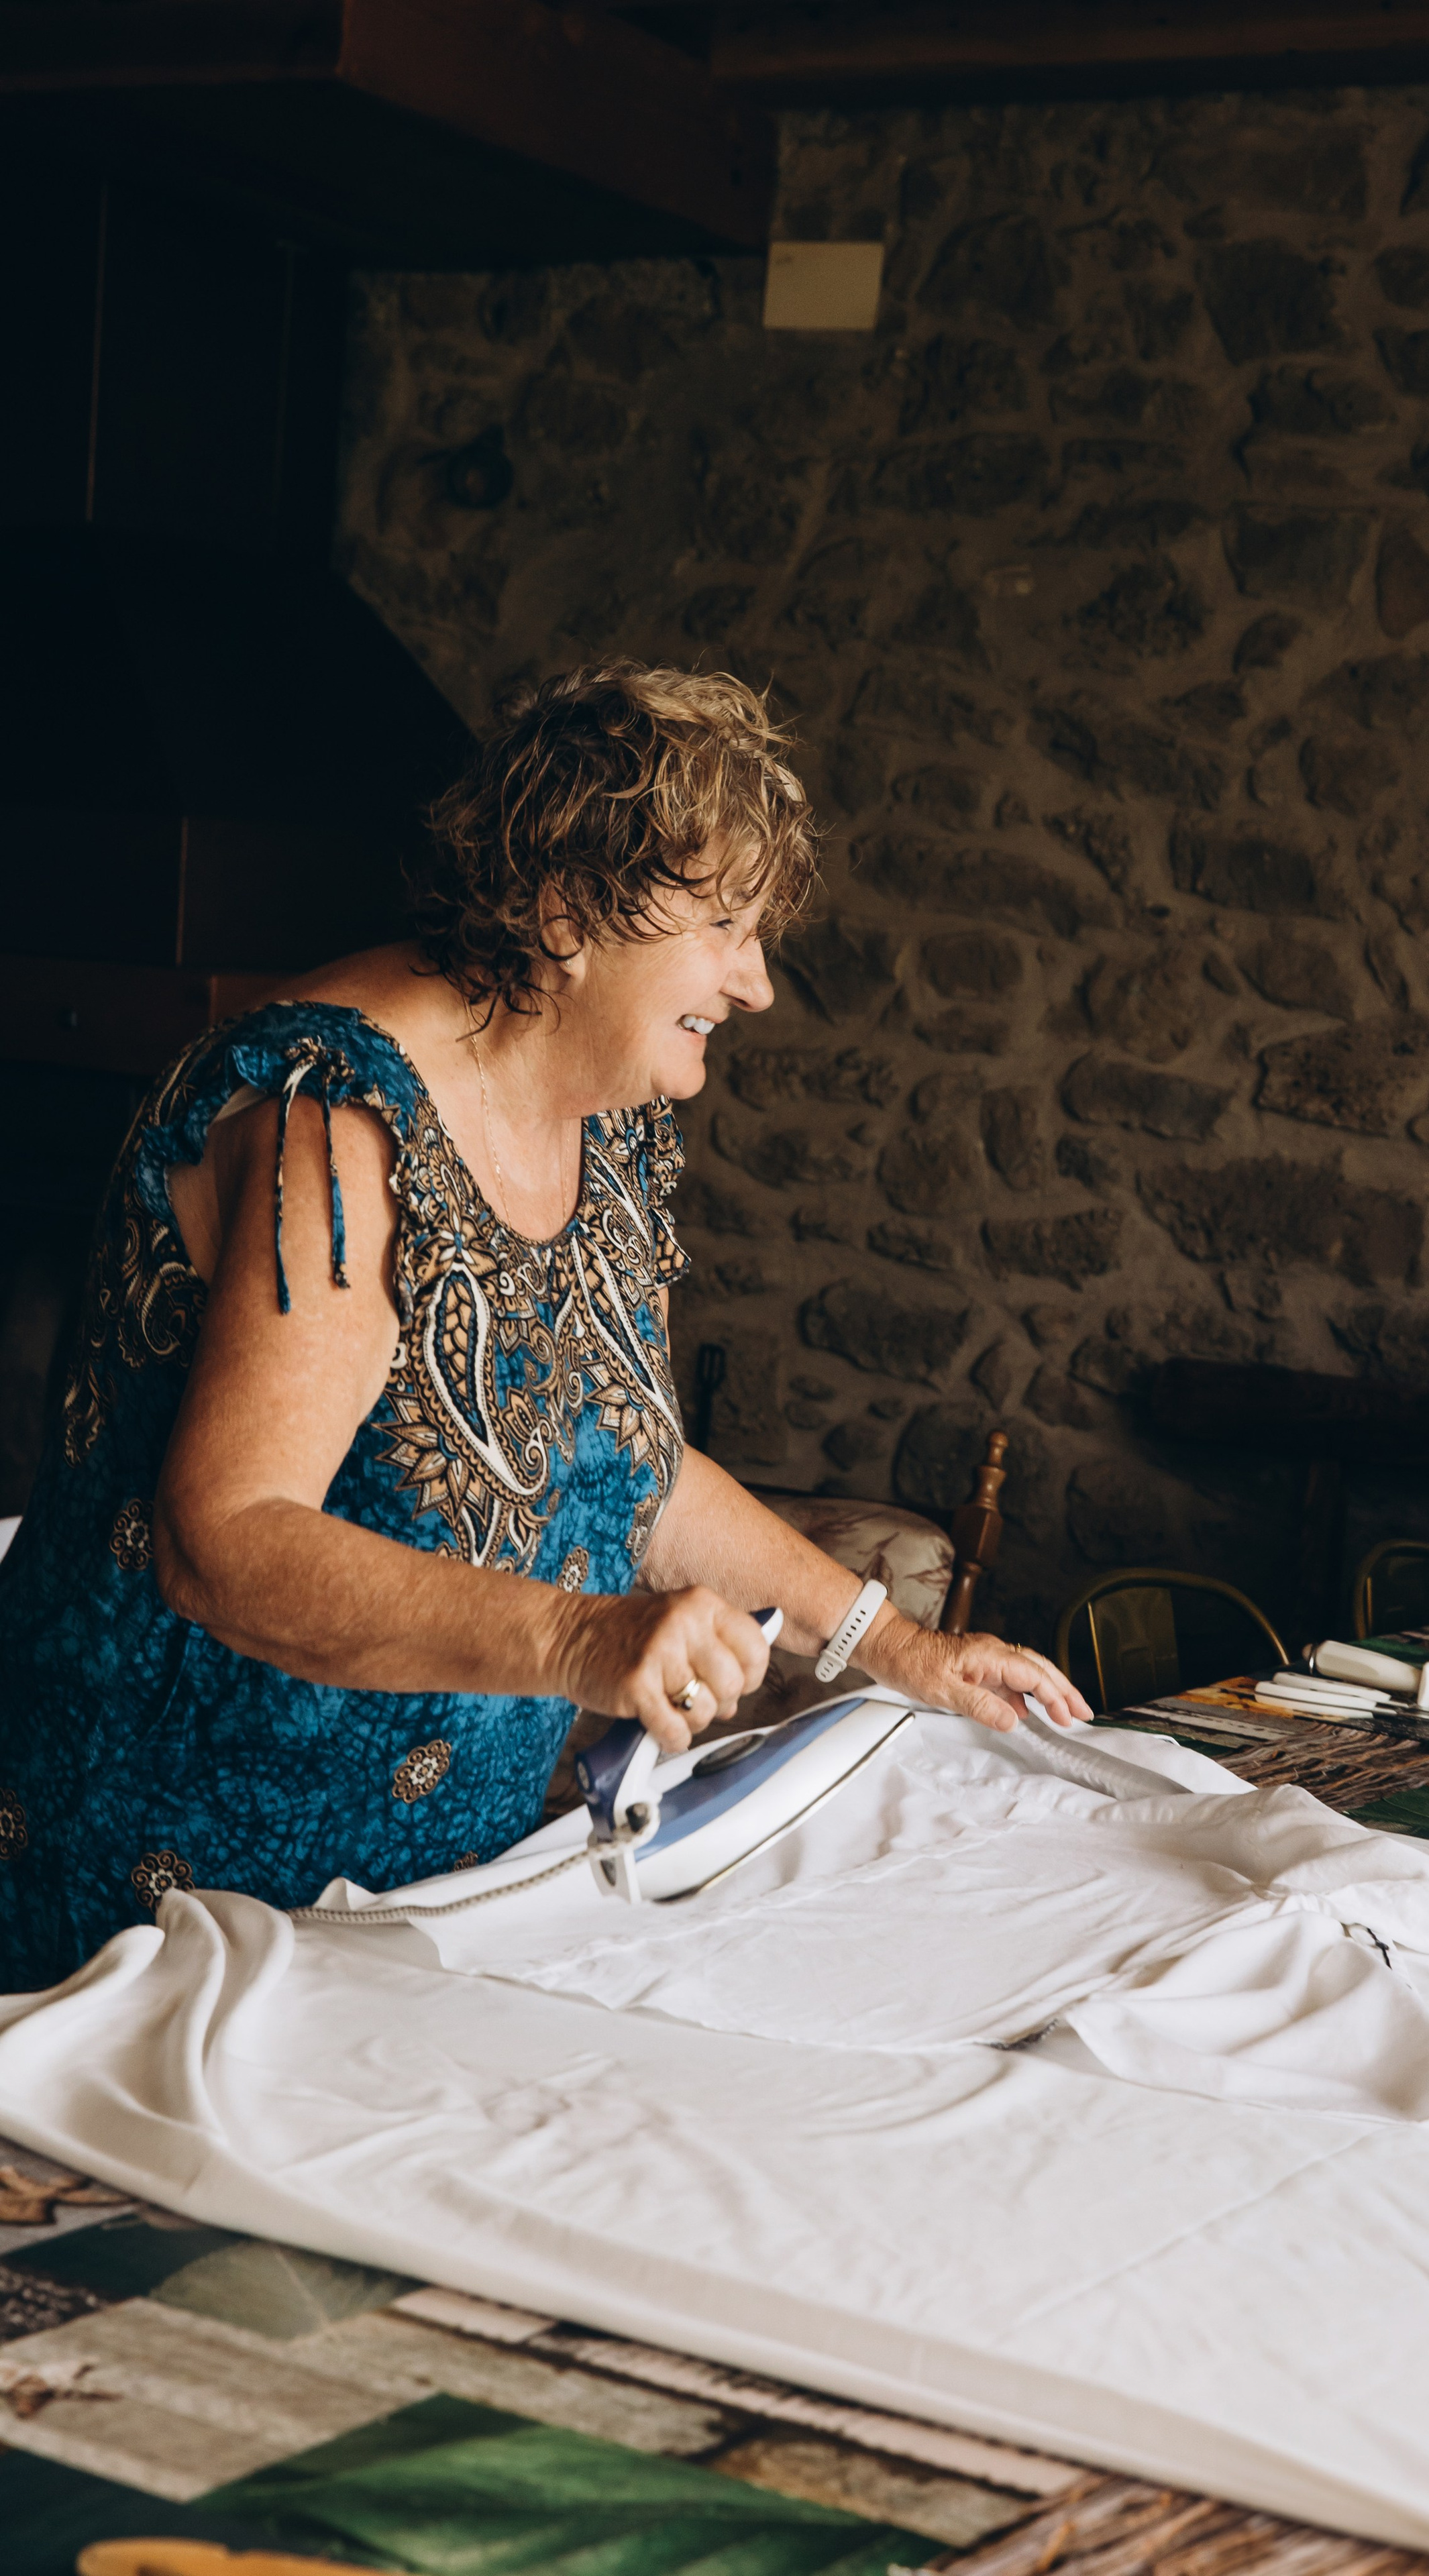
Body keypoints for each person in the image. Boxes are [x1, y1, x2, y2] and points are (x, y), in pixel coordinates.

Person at [0, 665, 1088, 1989]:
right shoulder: (330, 1114)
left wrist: (898, 1649)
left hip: (442, 1905)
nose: (753, 986)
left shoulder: (613, 1123)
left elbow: (634, 1461)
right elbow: (222, 1542)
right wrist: (580, 1640)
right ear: (570, 914)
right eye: (724, 930)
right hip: (170, 1922)